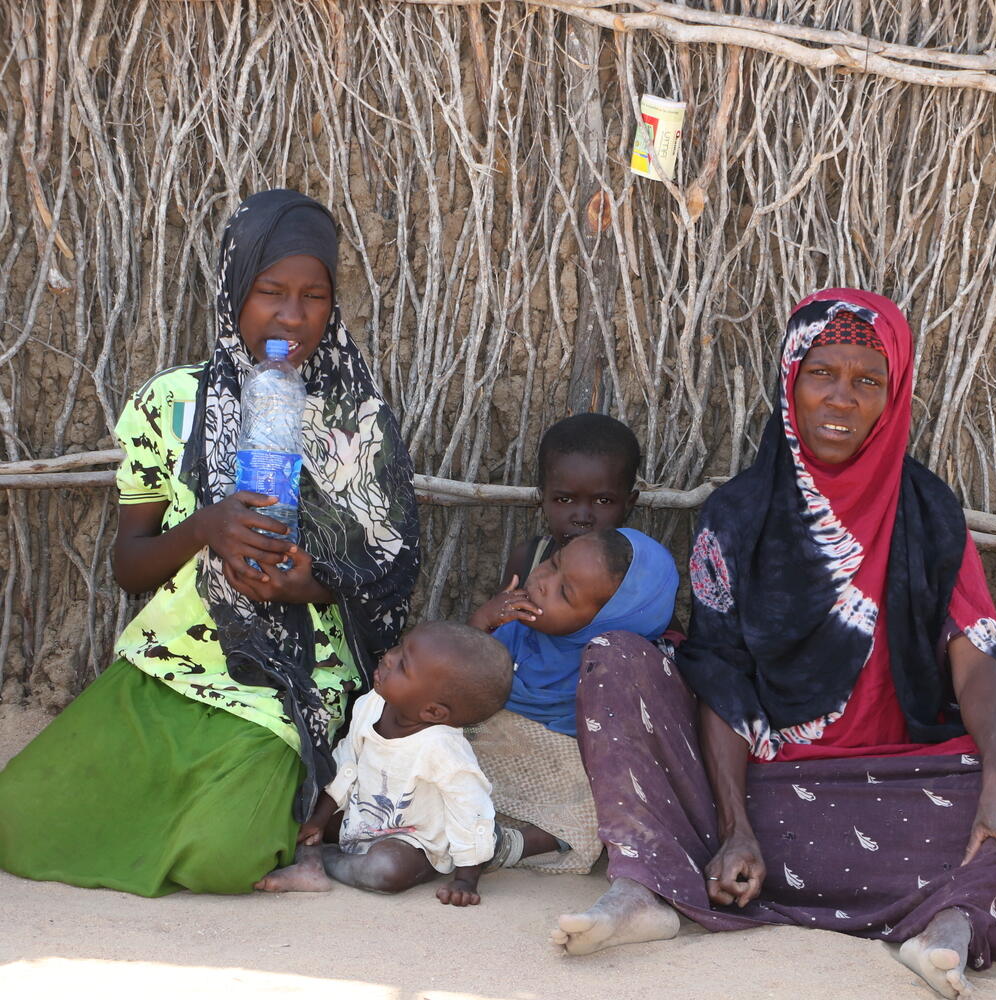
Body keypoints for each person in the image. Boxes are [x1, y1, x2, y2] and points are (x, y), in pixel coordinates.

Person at [550, 290, 996, 999]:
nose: (842, 399)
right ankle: (648, 884)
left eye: (867, 381)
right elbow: (722, 675)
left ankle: (956, 918)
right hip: (761, 800)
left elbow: (974, 657)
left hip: (900, 795)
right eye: (823, 373)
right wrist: (736, 827)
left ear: (895, 393)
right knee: (617, 659)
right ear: (792, 377)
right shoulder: (738, 515)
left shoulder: (928, 513)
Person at [0, 189, 420, 896]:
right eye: (270, 292)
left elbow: (391, 567)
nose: (292, 316)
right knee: (17, 819)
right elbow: (130, 567)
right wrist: (205, 528)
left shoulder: (358, 418)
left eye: (313, 296)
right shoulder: (169, 403)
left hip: (296, 682)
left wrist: (309, 583)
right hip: (177, 658)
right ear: (234, 293)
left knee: (225, 857)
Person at [466, 527, 678, 874]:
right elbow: (460, 680)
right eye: (553, 563)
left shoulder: (607, 669)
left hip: (555, 768)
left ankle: (515, 844)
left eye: (564, 592)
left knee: (592, 804)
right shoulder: (513, 624)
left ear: (605, 620)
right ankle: (473, 825)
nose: (543, 582)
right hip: (485, 746)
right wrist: (480, 624)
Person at [255, 622, 511, 906]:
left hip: (410, 841)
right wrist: (319, 819)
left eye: (404, 665)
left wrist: (465, 880)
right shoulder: (373, 703)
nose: (389, 657)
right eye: (400, 647)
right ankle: (314, 861)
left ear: (432, 711)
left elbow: (470, 810)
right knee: (300, 809)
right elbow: (347, 763)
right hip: (359, 818)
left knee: (388, 870)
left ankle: (320, 860)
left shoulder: (442, 748)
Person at [499, 413, 641, 586]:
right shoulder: (527, 561)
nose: (582, 518)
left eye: (603, 501)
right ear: (543, 498)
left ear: (629, 504)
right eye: (564, 500)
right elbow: (500, 612)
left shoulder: (639, 575)